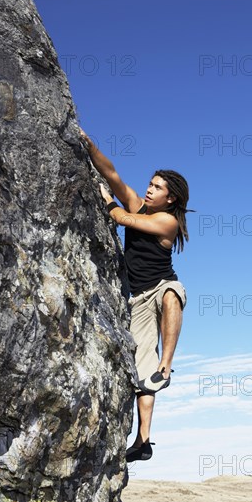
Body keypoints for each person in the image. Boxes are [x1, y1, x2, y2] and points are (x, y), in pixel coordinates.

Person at [80, 129, 190, 462]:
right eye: (151, 183)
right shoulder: (140, 205)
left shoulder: (166, 221)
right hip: (138, 299)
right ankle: (143, 442)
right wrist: (89, 146)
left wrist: (109, 203)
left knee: (173, 293)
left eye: (157, 187)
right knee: (143, 375)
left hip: (160, 287)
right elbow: (111, 174)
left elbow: (121, 218)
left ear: (170, 198)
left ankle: (166, 366)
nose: (149, 188)